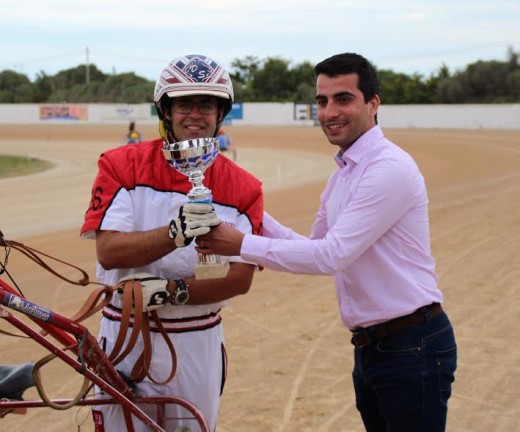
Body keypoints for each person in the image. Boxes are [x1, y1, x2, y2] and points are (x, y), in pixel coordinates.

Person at [197, 52, 457, 432]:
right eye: (322, 101)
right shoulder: (344, 173)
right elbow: (312, 245)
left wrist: (240, 244)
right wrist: (246, 208)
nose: (329, 111)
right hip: (378, 348)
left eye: (343, 99)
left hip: (411, 345)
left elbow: (329, 257)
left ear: (373, 104)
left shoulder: (388, 168)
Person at [81, 54, 263, 431]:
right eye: (184, 104)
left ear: (220, 113)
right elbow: (109, 251)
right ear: (165, 109)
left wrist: (169, 291)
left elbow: (240, 279)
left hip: (197, 339)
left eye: (206, 105)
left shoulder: (244, 186)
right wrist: (172, 235)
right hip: (125, 335)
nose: (195, 114)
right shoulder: (120, 164)